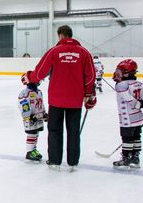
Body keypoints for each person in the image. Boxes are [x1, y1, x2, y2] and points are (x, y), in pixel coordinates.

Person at [22, 25, 96, 171]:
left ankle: (55, 161)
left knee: (55, 130)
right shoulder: (84, 53)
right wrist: (88, 94)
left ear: (60, 36)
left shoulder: (54, 51)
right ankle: (73, 162)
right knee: (73, 131)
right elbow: (90, 76)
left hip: (56, 100)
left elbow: (40, 72)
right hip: (75, 101)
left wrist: (29, 77)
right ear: (71, 35)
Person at [112, 59, 143, 168]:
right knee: (136, 136)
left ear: (127, 73)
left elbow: (130, 100)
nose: (117, 73)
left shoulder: (121, 85)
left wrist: (139, 104)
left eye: (120, 71)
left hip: (127, 119)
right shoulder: (139, 84)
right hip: (138, 118)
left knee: (126, 138)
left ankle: (126, 158)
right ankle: (135, 158)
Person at [18, 80, 48, 162]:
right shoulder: (25, 93)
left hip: (39, 116)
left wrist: (44, 114)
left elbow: (41, 104)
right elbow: (23, 104)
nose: (38, 81)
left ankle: (34, 150)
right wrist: (28, 116)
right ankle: (29, 152)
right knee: (31, 134)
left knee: (36, 134)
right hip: (31, 118)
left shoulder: (39, 92)